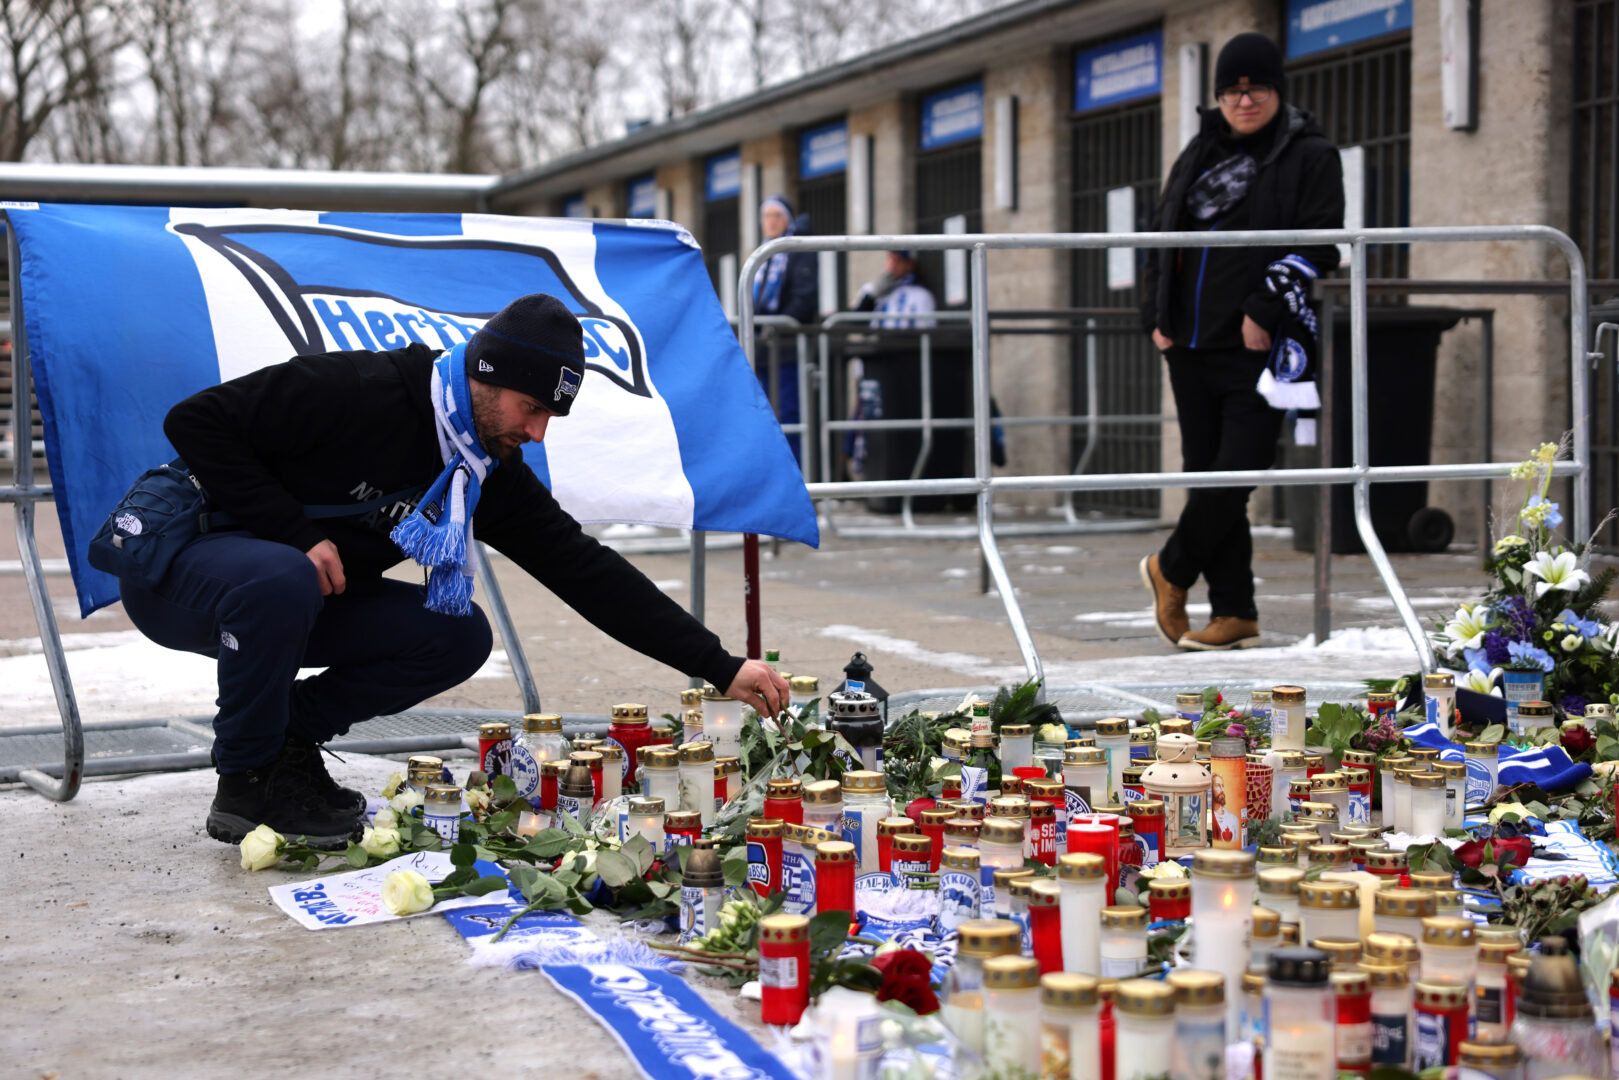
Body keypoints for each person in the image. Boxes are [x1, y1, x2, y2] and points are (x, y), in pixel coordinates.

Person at [122, 293, 788, 847]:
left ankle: (288, 738)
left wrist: (720, 665)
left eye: (551, 417)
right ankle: (246, 782)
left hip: (290, 598)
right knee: (282, 573)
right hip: (182, 578)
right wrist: (295, 534)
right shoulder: (363, 390)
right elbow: (195, 421)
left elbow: (586, 571)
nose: (538, 433)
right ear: (487, 377)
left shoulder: (480, 469)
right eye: (533, 409)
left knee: (456, 634)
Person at [1138, 31, 1343, 651]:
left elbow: (1320, 244)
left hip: (1258, 346)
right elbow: (1160, 232)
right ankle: (1235, 612)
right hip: (1187, 344)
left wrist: (1263, 308)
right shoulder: (1198, 152)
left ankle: (1171, 567)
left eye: (1255, 89)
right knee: (1208, 475)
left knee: (1238, 472)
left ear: (1277, 91)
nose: (1243, 101)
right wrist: (1154, 314)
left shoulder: (1310, 154)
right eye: (1231, 90)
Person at [847, 251, 937, 477]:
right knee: (863, 427)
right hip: (874, 371)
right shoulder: (874, 291)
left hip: (906, 371)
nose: (892, 266)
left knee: (901, 428)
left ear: (909, 264)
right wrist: (871, 297)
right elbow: (853, 323)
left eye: (898, 261)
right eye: (890, 259)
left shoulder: (921, 295)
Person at [753, 194, 818, 461]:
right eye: (766, 216)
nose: (771, 221)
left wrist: (778, 325)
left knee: (789, 415)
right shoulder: (763, 254)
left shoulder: (796, 249)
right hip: (763, 350)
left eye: (777, 215)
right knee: (765, 415)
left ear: (787, 219)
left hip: (788, 348)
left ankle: (794, 472)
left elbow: (805, 297)